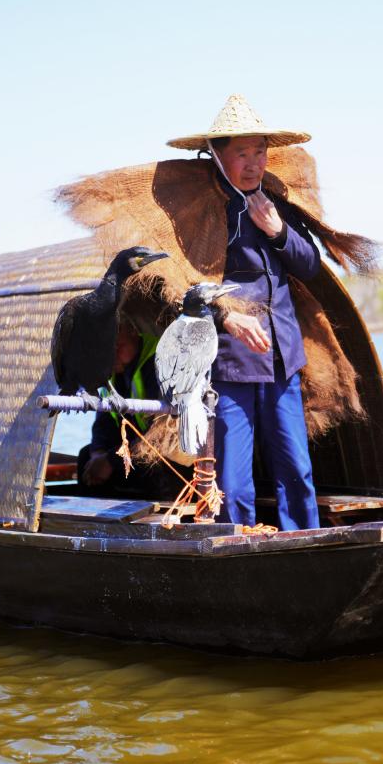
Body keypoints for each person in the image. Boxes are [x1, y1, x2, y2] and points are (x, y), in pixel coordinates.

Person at [165, 95, 321, 530]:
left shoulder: (277, 204)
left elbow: (309, 265)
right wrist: (227, 317)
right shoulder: (204, 214)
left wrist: (279, 230)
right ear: (217, 155)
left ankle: (304, 544)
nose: (253, 164)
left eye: (260, 152)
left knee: (297, 470)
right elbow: (183, 288)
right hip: (231, 365)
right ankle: (240, 546)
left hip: (282, 358)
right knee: (234, 482)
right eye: (241, 154)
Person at [76, 325, 176, 499]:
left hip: (162, 447)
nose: (110, 356)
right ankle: (97, 520)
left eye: (117, 346)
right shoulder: (114, 372)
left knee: (154, 465)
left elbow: (160, 433)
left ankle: (159, 520)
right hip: (132, 446)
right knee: (86, 457)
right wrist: (98, 453)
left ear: (132, 331)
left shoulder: (160, 362)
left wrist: (111, 460)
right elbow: (103, 421)